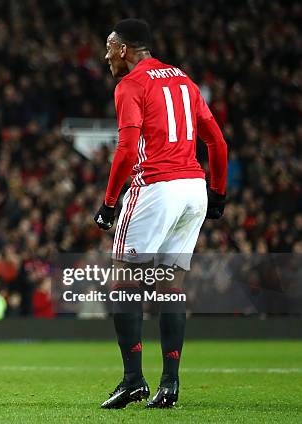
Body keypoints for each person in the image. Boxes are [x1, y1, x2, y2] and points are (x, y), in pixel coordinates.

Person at [93, 19, 227, 408]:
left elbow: (127, 146)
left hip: (155, 188)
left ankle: (133, 379)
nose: (105, 57)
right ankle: (170, 383)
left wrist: (109, 202)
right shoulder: (185, 81)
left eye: (108, 48)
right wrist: (217, 193)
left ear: (123, 49)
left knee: (122, 282)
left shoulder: (131, 84)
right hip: (193, 189)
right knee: (171, 287)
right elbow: (216, 140)